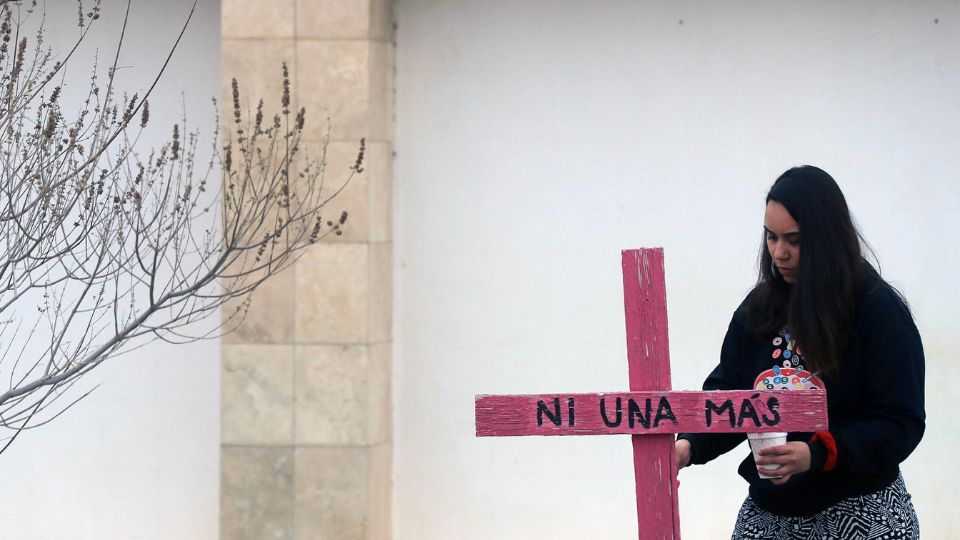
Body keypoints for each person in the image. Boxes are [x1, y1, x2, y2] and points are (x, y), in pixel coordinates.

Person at [675, 166, 924, 540]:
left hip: (863, 513)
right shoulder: (758, 311)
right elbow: (730, 396)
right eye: (771, 237)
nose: (779, 253)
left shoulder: (878, 311)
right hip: (771, 513)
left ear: (828, 238)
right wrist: (688, 445)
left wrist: (817, 454)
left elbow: (900, 422)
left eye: (795, 239)